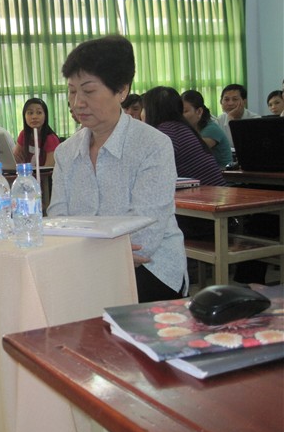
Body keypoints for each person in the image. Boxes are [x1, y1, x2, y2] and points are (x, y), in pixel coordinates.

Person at [48, 35, 188, 303]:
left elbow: (145, 235)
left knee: (90, 302)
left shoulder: (152, 144)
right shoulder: (66, 152)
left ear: (122, 90)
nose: (77, 102)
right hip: (84, 265)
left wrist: (91, 254)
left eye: (89, 91)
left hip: (149, 268)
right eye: (72, 91)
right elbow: (59, 220)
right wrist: (97, 254)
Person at [144, 87, 226, 186]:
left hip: (209, 192)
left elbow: (151, 167)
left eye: (144, 108)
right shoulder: (178, 126)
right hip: (212, 190)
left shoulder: (168, 131)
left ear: (152, 110)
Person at [181, 89, 232, 169]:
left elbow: (193, 152)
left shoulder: (211, 129)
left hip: (224, 174)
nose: (181, 116)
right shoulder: (190, 128)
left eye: (185, 111)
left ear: (199, 111)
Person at [13, 98, 60, 167]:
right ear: (24, 116)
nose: (34, 117)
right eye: (30, 113)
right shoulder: (23, 134)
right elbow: (15, 160)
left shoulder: (51, 139)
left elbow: (49, 168)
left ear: (45, 116)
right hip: (27, 173)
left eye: (39, 113)